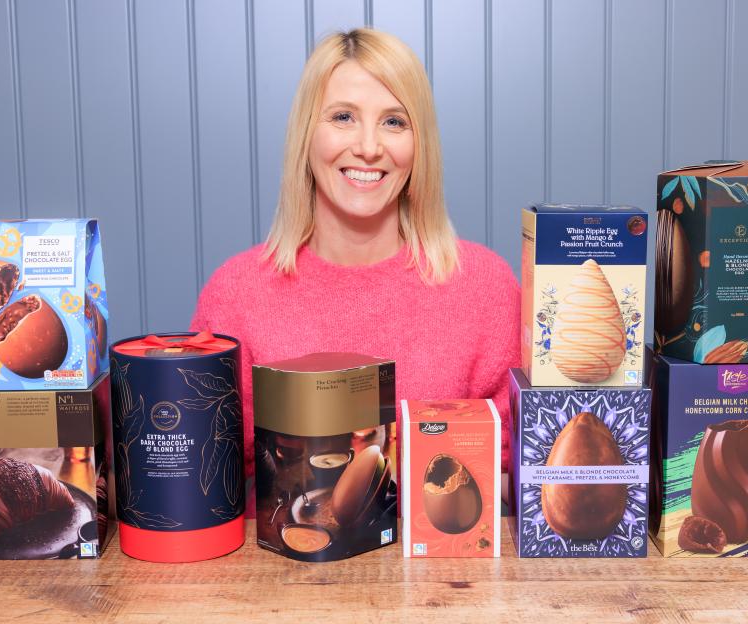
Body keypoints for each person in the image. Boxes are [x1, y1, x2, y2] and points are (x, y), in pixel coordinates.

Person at [190, 29, 520, 512]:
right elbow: (205, 474)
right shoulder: (236, 293)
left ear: (419, 143)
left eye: (393, 122)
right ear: (307, 134)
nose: (368, 147)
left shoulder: (485, 287)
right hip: (285, 577)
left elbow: (519, 473)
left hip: (444, 581)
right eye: (343, 117)